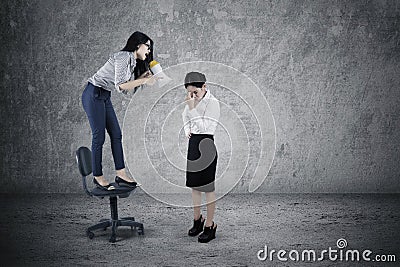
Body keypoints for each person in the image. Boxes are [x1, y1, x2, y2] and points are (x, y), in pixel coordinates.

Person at [82, 31, 154, 190]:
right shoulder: (123, 57)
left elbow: (124, 88)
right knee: (99, 137)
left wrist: (142, 77)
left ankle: (121, 174)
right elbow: (120, 85)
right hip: (93, 94)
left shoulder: (132, 62)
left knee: (116, 134)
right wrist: (143, 80)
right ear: (137, 45)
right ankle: (97, 176)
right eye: (147, 47)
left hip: (104, 95)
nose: (149, 51)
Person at [182, 72, 220, 243]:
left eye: (195, 92)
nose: (193, 96)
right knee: (194, 187)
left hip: (206, 145)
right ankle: (198, 220)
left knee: (208, 188)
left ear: (204, 87)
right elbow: (184, 116)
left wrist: (191, 108)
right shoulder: (191, 100)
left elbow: (205, 127)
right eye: (190, 93)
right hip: (193, 146)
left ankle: (210, 226)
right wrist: (186, 130)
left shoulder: (213, 103)